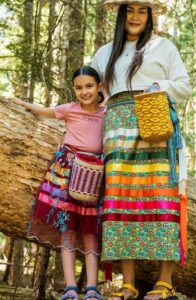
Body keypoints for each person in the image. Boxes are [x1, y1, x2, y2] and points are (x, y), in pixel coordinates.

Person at [91, 0, 192, 299]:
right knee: (121, 201)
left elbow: (184, 85)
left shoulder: (163, 47)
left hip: (154, 123)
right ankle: (129, 283)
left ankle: (165, 281)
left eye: (142, 10)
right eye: (130, 10)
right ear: (121, 14)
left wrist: (158, 85)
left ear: (149, 16)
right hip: (117, 129)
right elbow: (91, 89)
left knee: (161, 196)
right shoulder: (104, 52)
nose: (135, 16)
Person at [12, 66, 105, 300]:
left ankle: (92, 288)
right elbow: (42, 111)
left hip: (94, 175)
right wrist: (18, 103)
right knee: (68, 228)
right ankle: (71, 287)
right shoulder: (69, 110)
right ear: (74, 90)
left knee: (91, 231)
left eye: (89, 86)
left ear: (99, 87)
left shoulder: (107, 113)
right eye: (79, 88)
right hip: (66, 172)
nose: (84, 92)